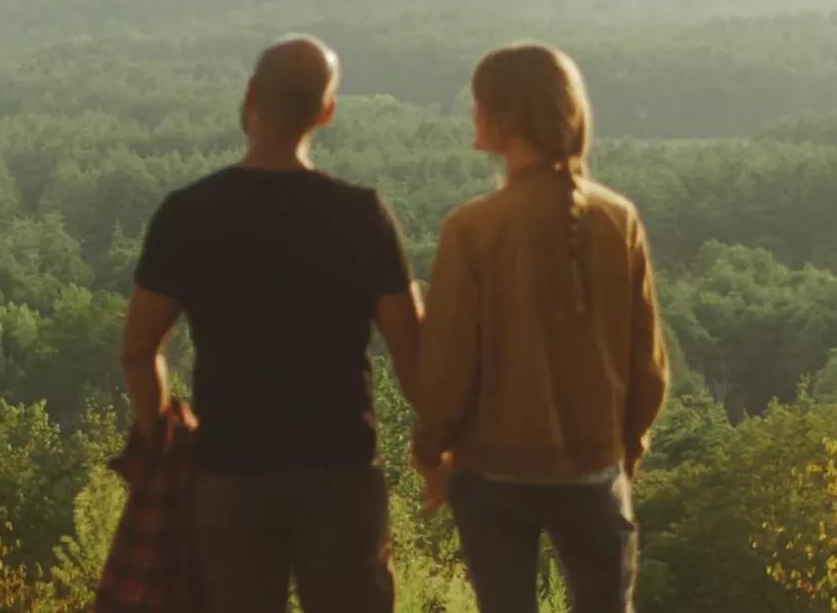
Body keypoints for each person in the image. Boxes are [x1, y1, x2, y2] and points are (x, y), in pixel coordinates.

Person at [120, 35, 422, 613]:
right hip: (341, 471)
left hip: (229, 471)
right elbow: (410, 351)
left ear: (250, 97)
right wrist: (439, 437)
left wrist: (161, 436)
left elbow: (138, 349)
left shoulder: (188, 213)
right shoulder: (361, 214)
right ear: (326, 112)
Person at [413, 43, 670, 613]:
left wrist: (430, 452)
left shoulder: (471, 228)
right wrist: (625, 451)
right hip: (593, 469)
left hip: (491, 472)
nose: (472, 114)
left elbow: (448, 369)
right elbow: (648, 365)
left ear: (504, 117)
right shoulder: (618, 219)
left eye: (478, 104)